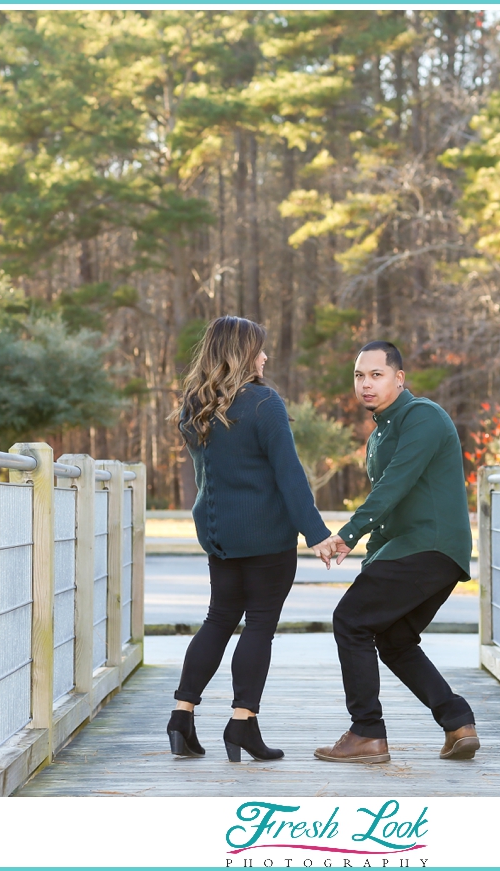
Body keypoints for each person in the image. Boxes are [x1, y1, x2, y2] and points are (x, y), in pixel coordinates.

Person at [166, 316, 337, 762]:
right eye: (259, 349)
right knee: (259, 624)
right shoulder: (264, 403)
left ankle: (181, 717)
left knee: (219, 619)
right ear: (242, 354)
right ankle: (242, 722)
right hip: (265, 537)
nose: (265, 356)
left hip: (220, 535)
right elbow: (289, 476)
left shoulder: (194, 406)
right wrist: (317, 534)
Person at [314, 341, 479, 764]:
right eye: (359, 376)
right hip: (416, 549)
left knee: (350, 620)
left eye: (376, 374)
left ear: (399, 378)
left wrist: (348, 534)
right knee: (394, 639)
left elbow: (395, 486)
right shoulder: (381, 432)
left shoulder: (421, 416)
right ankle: (457, 721)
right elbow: (390, 509)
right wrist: (372, 556)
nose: (366, 384)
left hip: (431, 546)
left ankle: (366, 732)